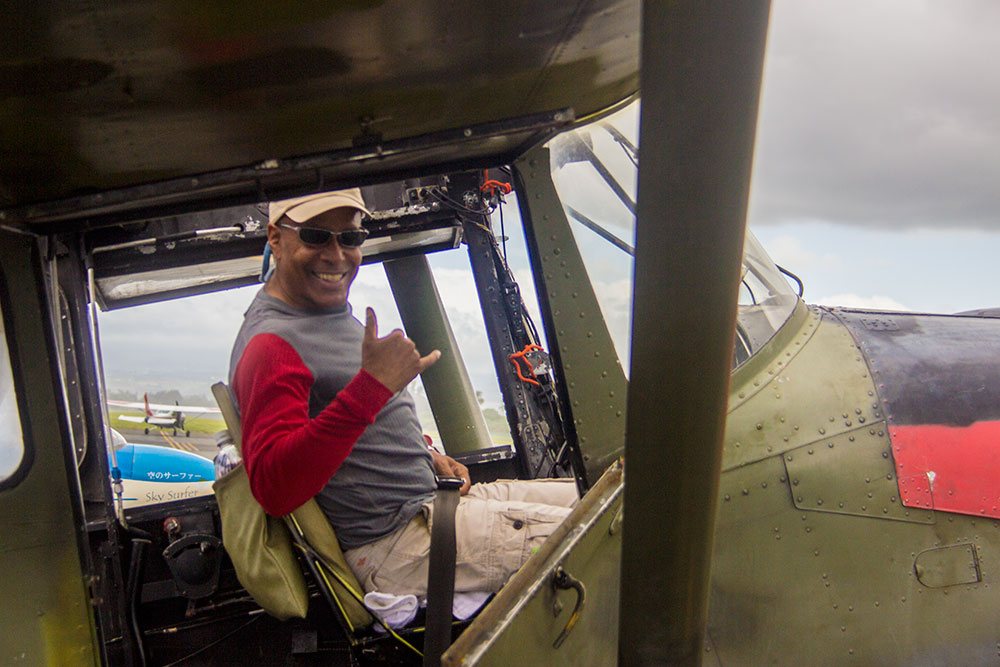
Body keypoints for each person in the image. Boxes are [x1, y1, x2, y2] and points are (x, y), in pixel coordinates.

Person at [229, 188, 578, 597]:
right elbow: (275, 488)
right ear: (275, 238)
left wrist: (426, 456)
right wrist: (371, 389)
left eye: (351, 238)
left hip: (433, 504)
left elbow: (352, 437)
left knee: (611, 497)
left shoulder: (318, 312)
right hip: (396, 544)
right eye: (316, 236)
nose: (336, 255)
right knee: (621, 537)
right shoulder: (271, 345)